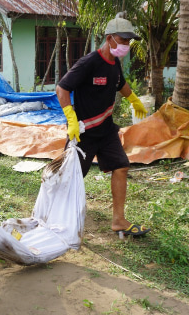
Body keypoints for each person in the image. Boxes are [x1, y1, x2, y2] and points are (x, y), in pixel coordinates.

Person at [56, 13, 151, 238]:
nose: (127, 45)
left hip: (107, 130)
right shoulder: (89, 62)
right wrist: (70, 118)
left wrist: (134, 99)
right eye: (123, 40)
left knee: (121, 166)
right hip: (84, 132)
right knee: (71, 177)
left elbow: (121, 84)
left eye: (129, 41)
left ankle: (118, 220)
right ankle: (59, 219)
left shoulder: (115, 63)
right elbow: (62, 88)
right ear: (109, 39)